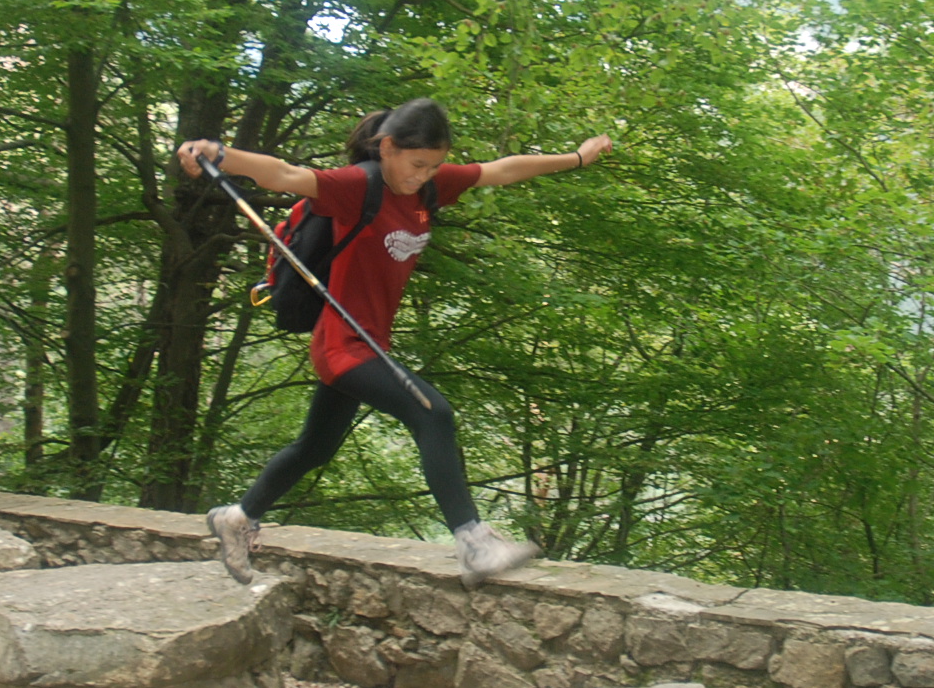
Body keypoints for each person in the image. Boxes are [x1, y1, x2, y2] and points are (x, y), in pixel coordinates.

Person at [176, 98, 613, 586]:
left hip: (370, 342)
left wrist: (576, 158)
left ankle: (237, 517)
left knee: (315, 447)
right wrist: (220, 153)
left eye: (434, 166)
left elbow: (502, 170)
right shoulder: (357, 187)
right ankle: (473, 542)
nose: (423, 176)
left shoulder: (428, 188)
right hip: (341, 344)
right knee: (432, 412)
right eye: (416, 164)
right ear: (387, 148)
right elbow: (285, 174)